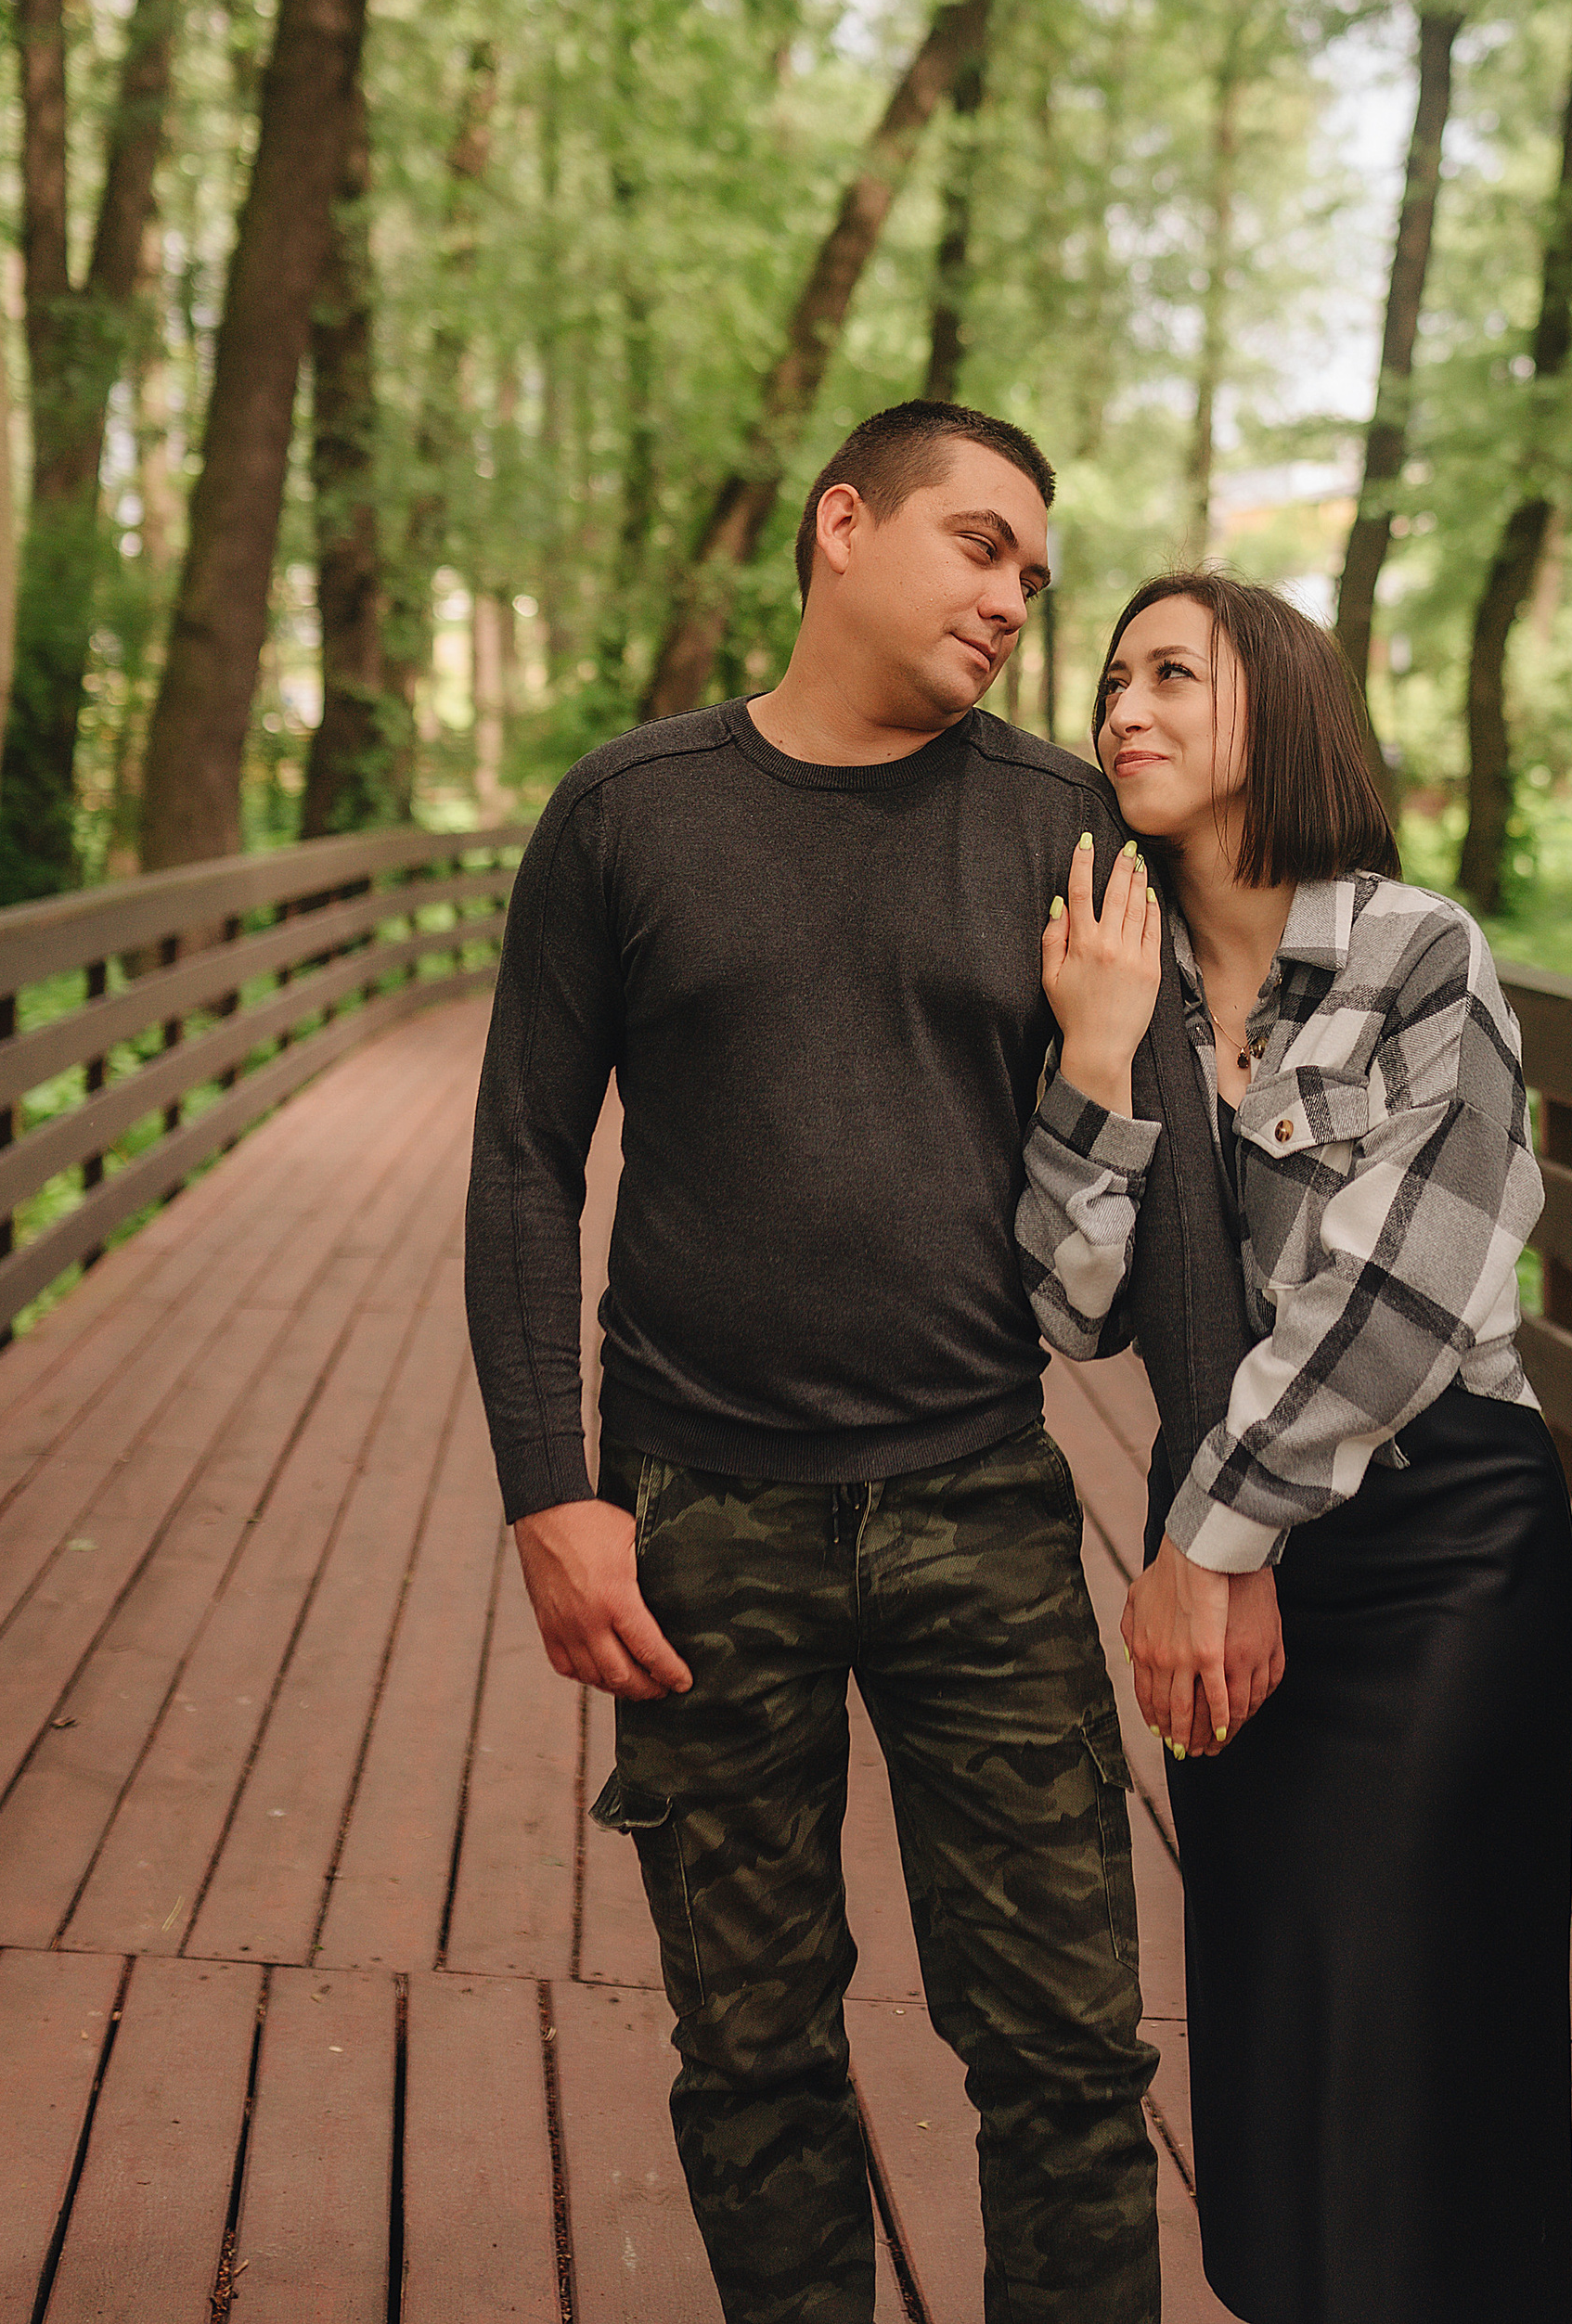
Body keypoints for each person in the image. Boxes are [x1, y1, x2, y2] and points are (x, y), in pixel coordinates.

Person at [463, 404, 1278, 2324]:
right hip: (691, 1520)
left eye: (1032, 571)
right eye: (981, 545)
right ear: (844, 525)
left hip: (978, 1508)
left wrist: (1206, 1517)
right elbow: (521, 1153)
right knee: (750, 2054)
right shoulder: (628, 809)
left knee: (1071, 2055)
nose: (1014, 598)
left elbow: (1166, 1187)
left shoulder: (1055, 819)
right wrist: (545, 1485)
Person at [1017, 571, 1572, 2324]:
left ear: (1279, 703)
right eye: (1112, 676)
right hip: (1238, 1550)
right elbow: (1068, 1299)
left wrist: (1208, 1543)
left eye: (1172, 670)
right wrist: (1099, 1063)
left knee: (1410, 2015)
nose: (1124, 704)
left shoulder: (1426, 957)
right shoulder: (1125, 979)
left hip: (1439, 1555)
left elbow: (1398, 1302)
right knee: (1268, 2017)